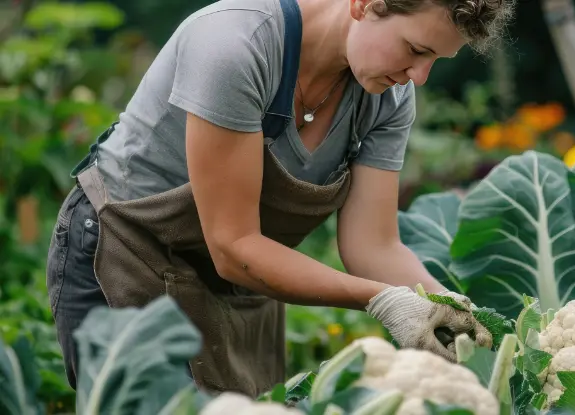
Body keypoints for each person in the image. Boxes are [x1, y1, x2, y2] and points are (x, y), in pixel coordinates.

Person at [45, 0, 514, 398]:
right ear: (363, 4)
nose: (420, 76)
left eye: (436, 61)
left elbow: (374, 246)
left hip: (240, 290)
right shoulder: (237, 45)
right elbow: (234, 245)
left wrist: (443, 303)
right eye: (416, 50)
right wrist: (382, 301)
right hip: (125, 258)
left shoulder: (388, 97)